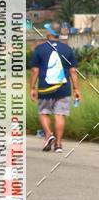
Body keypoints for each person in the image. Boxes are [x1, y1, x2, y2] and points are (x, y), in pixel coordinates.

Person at [30, 22, 80, 153]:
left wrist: (32, 88)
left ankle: (48, 134)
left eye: (46, 30)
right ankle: (58, 145)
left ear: (49, 33)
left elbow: (35, 70)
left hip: (45, 88)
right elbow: (73, 71)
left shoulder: (40, 49)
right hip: (63, 88)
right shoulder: (67, 49)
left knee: (43, 112)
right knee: (60, 115)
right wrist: (76, 89)